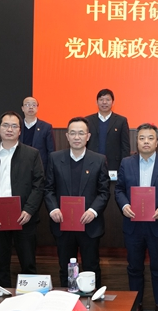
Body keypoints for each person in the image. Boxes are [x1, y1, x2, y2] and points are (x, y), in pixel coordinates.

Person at [115, 123, 158, 311]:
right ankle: (137, 304)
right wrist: (124, 205)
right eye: (142, 138)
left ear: (157, 142)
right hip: (133, 225)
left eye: (150, 138)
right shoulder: (126, 163)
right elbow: (119, 189)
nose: (146, 142)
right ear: (137, 141)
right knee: (134, 267)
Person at [0, 111, 45, 287]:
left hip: (24, 216)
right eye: (5, 125)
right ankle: (2, 296)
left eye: (14, 126)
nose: (9, 129)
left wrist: (29, 210)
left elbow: (39, 185)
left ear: (20, 131)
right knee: (0, 264)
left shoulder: (32, 154)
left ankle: (30, 297)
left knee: (28, 263)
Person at [44, 117, 110, 288]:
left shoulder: (99, 159)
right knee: (65, 268)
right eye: (73, 133)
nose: (77, 137)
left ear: (88, 136)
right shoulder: (55, 158)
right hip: (63, 223)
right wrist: (53, 209)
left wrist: (93, 211)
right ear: (67, 136)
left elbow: (104, 192)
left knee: (91, 267)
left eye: (81, 133)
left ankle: (93, 301)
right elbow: (48, 189)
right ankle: (68, 300)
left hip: (89, 224)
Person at [86, 89, 131, 172]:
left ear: (113, 102)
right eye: (101, 99)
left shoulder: (121, 121)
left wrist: (124, 166)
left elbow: (125, 147)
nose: (104, 102)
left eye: (107, 99)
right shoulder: (88, 120)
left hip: (114, 165)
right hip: (91, 163)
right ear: (96, 102)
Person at [18, 96, 55, 172]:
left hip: (40, 167)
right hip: (20, 165)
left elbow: (51, 151)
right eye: (27, 104)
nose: (31, 107)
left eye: (34, 105)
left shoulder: (46, 127)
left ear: (37, 108)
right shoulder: (17, 126)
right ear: (22, 108)